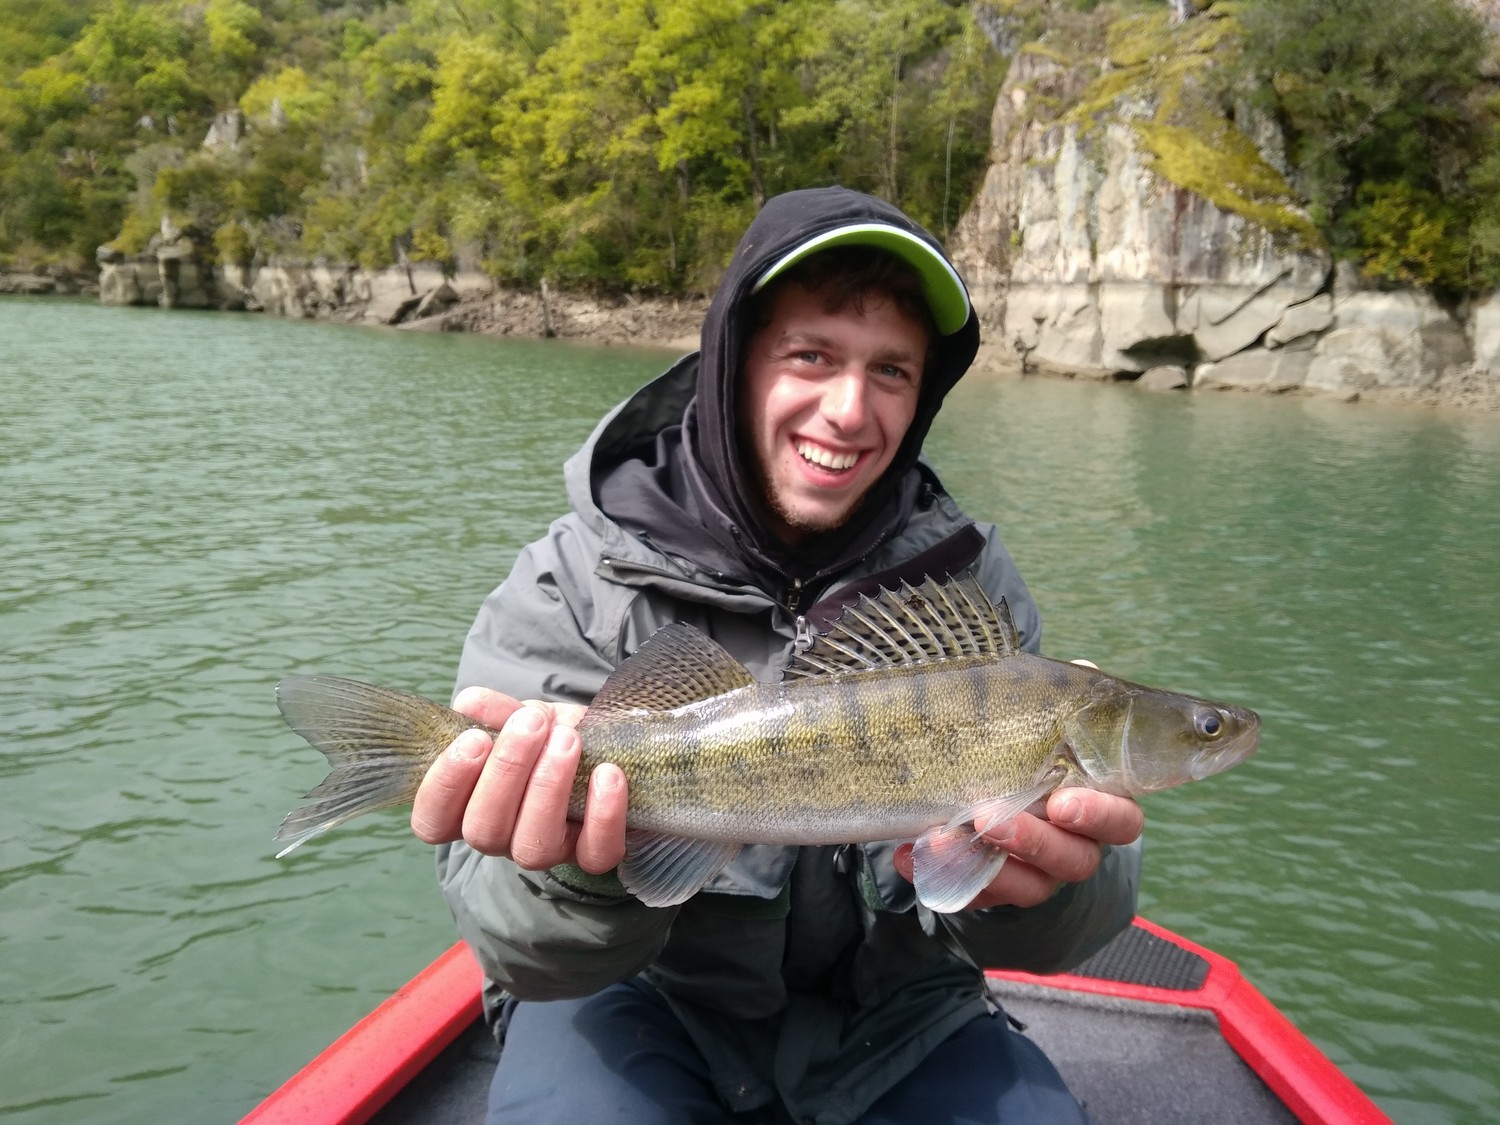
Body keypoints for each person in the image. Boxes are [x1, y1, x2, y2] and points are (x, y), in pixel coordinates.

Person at [411, 187, 1145, 1124]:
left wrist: (1046, 891)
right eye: (812, 355)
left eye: (891, 370)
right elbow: (514, 945)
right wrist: (575, 876)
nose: (848, 409)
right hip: (637, 996)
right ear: (734, 362)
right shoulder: (576, 580)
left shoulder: (970, 586)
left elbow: (1054, 936)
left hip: (901, 1013)